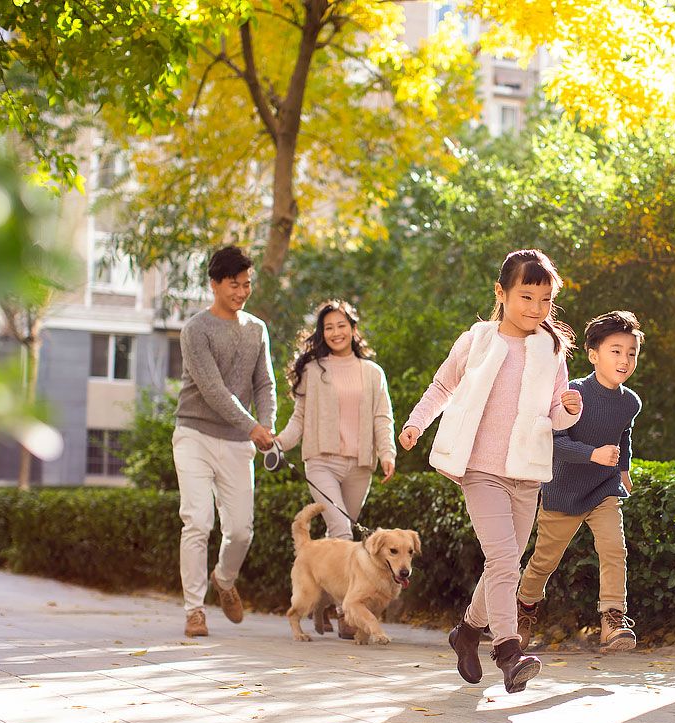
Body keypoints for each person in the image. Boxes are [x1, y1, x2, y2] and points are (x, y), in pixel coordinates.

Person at [399, 249, 582, 693]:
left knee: (506, 562)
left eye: (545, 300)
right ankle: (508, 650)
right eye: (526, 297)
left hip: (527, 470)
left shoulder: (552, 347)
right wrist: (416, 423)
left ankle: (466, 631)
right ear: (501, 293)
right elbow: (443, 385)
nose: (536, 309)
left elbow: (556, 410)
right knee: (503, 560)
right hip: (480, 468)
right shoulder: (477, 341)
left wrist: (570, 411)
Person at [516, 311, 644, 652]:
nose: (625, 359)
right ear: (593, 354)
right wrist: (592, 454)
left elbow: (624, 436)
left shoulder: (630, 402)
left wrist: (622, 470)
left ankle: (613, 620)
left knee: (614, 548)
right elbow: (555, 442)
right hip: (564, 490)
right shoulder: (573, 393)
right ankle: (524, 609)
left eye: (631, 352)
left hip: (603, 488)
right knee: (544, 561)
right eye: (616, 350)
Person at [173, 245, 277, 638]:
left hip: (238, 442)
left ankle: (225, 578)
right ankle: (194, 610)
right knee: (197, 521)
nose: (242, 292)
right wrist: (252, 424)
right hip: (194, 436)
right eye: (235, 284)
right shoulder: (195, 330)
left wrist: (265, 425)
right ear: (215, 284)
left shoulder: (256, 329)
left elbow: (264, 384)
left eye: (247, 284)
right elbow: (213, 390)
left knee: (241, 530)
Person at [275, 300, 397, 635]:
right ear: (321, 333)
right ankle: (348, 616)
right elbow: (298, 420)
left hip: (359, 465)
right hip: (321, 461)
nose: (335, 332)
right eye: (328, 327)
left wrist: (388, 453)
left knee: (339, 539)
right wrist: (277, 444)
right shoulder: (313, 371)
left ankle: (323, 605)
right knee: (343, 532)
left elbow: (382, 418)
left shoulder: (373, 373)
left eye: (341, 325)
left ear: (353, 329)